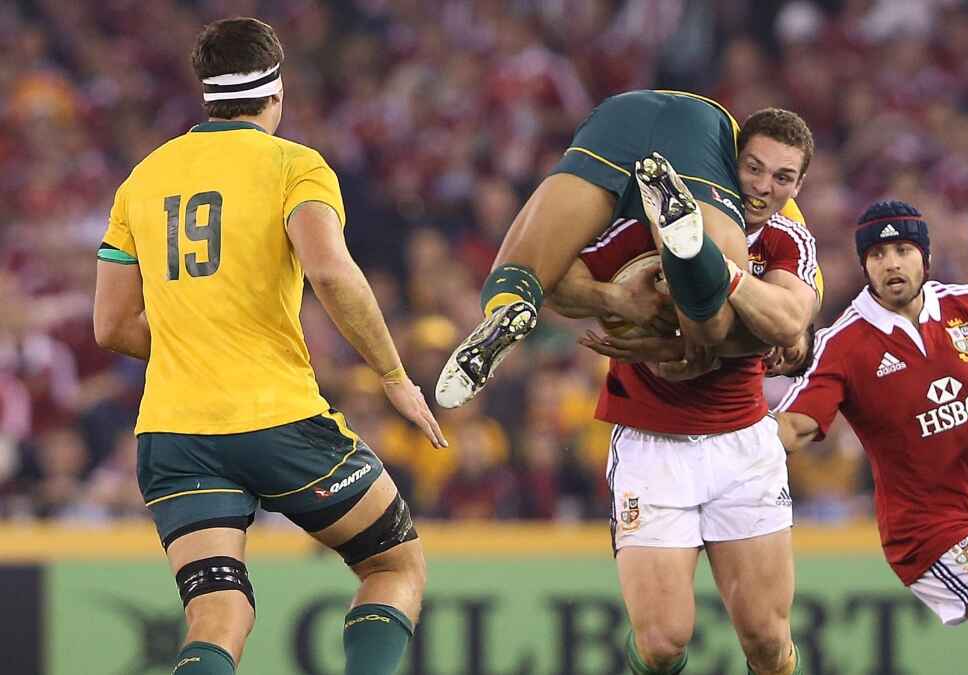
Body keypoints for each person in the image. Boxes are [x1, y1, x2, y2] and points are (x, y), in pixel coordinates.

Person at [93, 17, 446, 675]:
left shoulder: (142, 178)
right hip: (276, 420)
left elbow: (110, 324)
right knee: (394, 562)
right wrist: (395, 376)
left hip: (173, 433)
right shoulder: (295, 166)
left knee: (219, 615)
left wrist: (194, 343)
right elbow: (332, 272)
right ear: (276, 93)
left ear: (206, 94)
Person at [775, 200, 968, 675]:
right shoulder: (844, 344)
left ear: (926, 256)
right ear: (864, 265)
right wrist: (733, 435)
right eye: (878, 254)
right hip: (928, 532)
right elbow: (795, 425)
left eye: (903, 249)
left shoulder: (966, 307)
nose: (891, 263)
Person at [553, 109, 820, 675]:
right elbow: (558, 279)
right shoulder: (640, 225)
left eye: (782, 177)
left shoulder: (788, 239)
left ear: (799, 185)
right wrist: (621, 302)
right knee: (662, 644)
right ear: (730, 163)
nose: (763, 187)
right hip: (653, 447)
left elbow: (791, 322)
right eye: (753, 167)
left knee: (768, 642)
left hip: (742, 446)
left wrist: (708, 266)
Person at [436, 90, 780, 409]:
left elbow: (556, 287)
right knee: (715, 320)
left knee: (525, 273)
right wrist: (679, 338)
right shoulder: (782, 218)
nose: (765, 188)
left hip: (616, 118)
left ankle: (507, 303)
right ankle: (688, 244)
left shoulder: (600, 254)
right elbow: (785, 325)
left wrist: (615, 300)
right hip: (699, 134)